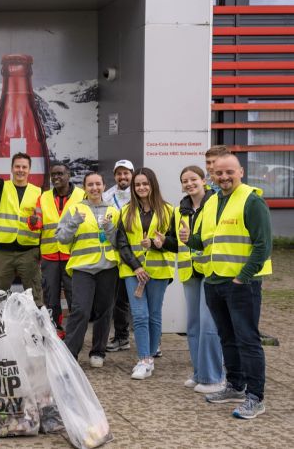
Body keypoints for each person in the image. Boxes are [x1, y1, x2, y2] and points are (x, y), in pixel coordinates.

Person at [180, 153, 272, 419]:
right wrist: (190, 239)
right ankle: (234, 386)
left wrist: (242, 276)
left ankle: (255, 397)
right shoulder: (212, 202)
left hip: (242, 284)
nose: (223, 177)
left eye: (229, 172)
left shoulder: (252, 201)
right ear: (213, 176)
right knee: (227, 338)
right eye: (218, 173)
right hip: (215, 280)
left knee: (247, 340)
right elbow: (206, 241)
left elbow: (263, 245)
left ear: (240, 171)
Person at [161, 166, 224, 394]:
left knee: (209, 326)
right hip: (190, 273)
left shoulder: (215, 203)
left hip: (211, 269)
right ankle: (199, 373)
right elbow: (176, 242)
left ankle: (214, 377)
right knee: (194, 326)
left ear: (204, 180)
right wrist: (162, 242)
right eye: (185, 180)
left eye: (193, 179)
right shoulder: (180, 210)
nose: (189, 184)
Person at [116, 167, 175, 380]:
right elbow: (121, 244)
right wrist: (136, 267)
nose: (141, 187)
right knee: (140, 315)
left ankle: (150, 358)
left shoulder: (169, 210)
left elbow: (175, 243)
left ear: (153, 185)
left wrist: (159, 243)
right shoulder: (125, 211)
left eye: (145, 184)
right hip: (134, 271)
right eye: (137, 184)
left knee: (154, 315)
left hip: (159, 270)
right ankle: (143, 359)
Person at [55, 172, 120, 367]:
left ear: (104, 185)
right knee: (80, 310)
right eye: (90, 185)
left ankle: (98, 352)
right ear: (84, 187)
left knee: (104, 312)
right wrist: (74, 222)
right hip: (83, 268)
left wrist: (109, 229)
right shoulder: (74, 209)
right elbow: (62, 238)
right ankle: (70, 353)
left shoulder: (114, 211)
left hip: (107, 267)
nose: (94, 188)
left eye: (98, 184)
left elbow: (120, 242)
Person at [0, 146, 43, 306]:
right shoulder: (2, 187)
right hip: (3, 253)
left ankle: (36, 329)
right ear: (12, 168)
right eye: (17, 166)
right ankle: (0, 329)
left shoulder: (39, 192)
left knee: (35, 296)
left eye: (24, 167)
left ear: (29, 170)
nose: (20, 170)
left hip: (29, 252)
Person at [29, 162, 85, 332]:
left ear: (69, 175)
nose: (56, 177)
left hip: (72, 255)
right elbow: (37, 223)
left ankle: (74, 333)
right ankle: (55, 331)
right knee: (51, 297)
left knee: (74, 296)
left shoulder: (82, 196)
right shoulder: (43, 197)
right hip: (49, 256)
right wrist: (33, 222)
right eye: (53, 175)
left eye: (60, 174)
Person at [104, 159, 135, 353]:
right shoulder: (107, 196)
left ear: (132, 174)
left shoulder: (140, 192)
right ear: (114, 175)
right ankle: (122, 337)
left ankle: (153, 342)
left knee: (145, 300)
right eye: (119, 173)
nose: (123, 177)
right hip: (116, 254)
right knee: (119, 299)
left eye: (126, 173)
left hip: (138, 253)